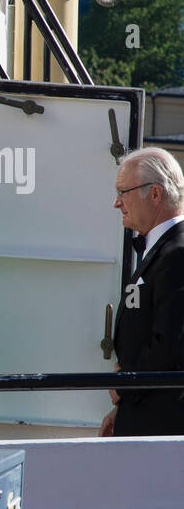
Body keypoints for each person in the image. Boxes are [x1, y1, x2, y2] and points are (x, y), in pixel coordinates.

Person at [99, 147, 184, 437]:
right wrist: (122, 411)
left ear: (156, 195)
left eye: (123, 192)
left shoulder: (178, 253)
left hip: (163, 430)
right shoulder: (164, 249)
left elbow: (171, 345)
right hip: (147, 418)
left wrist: (125, 384)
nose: (116, 203)